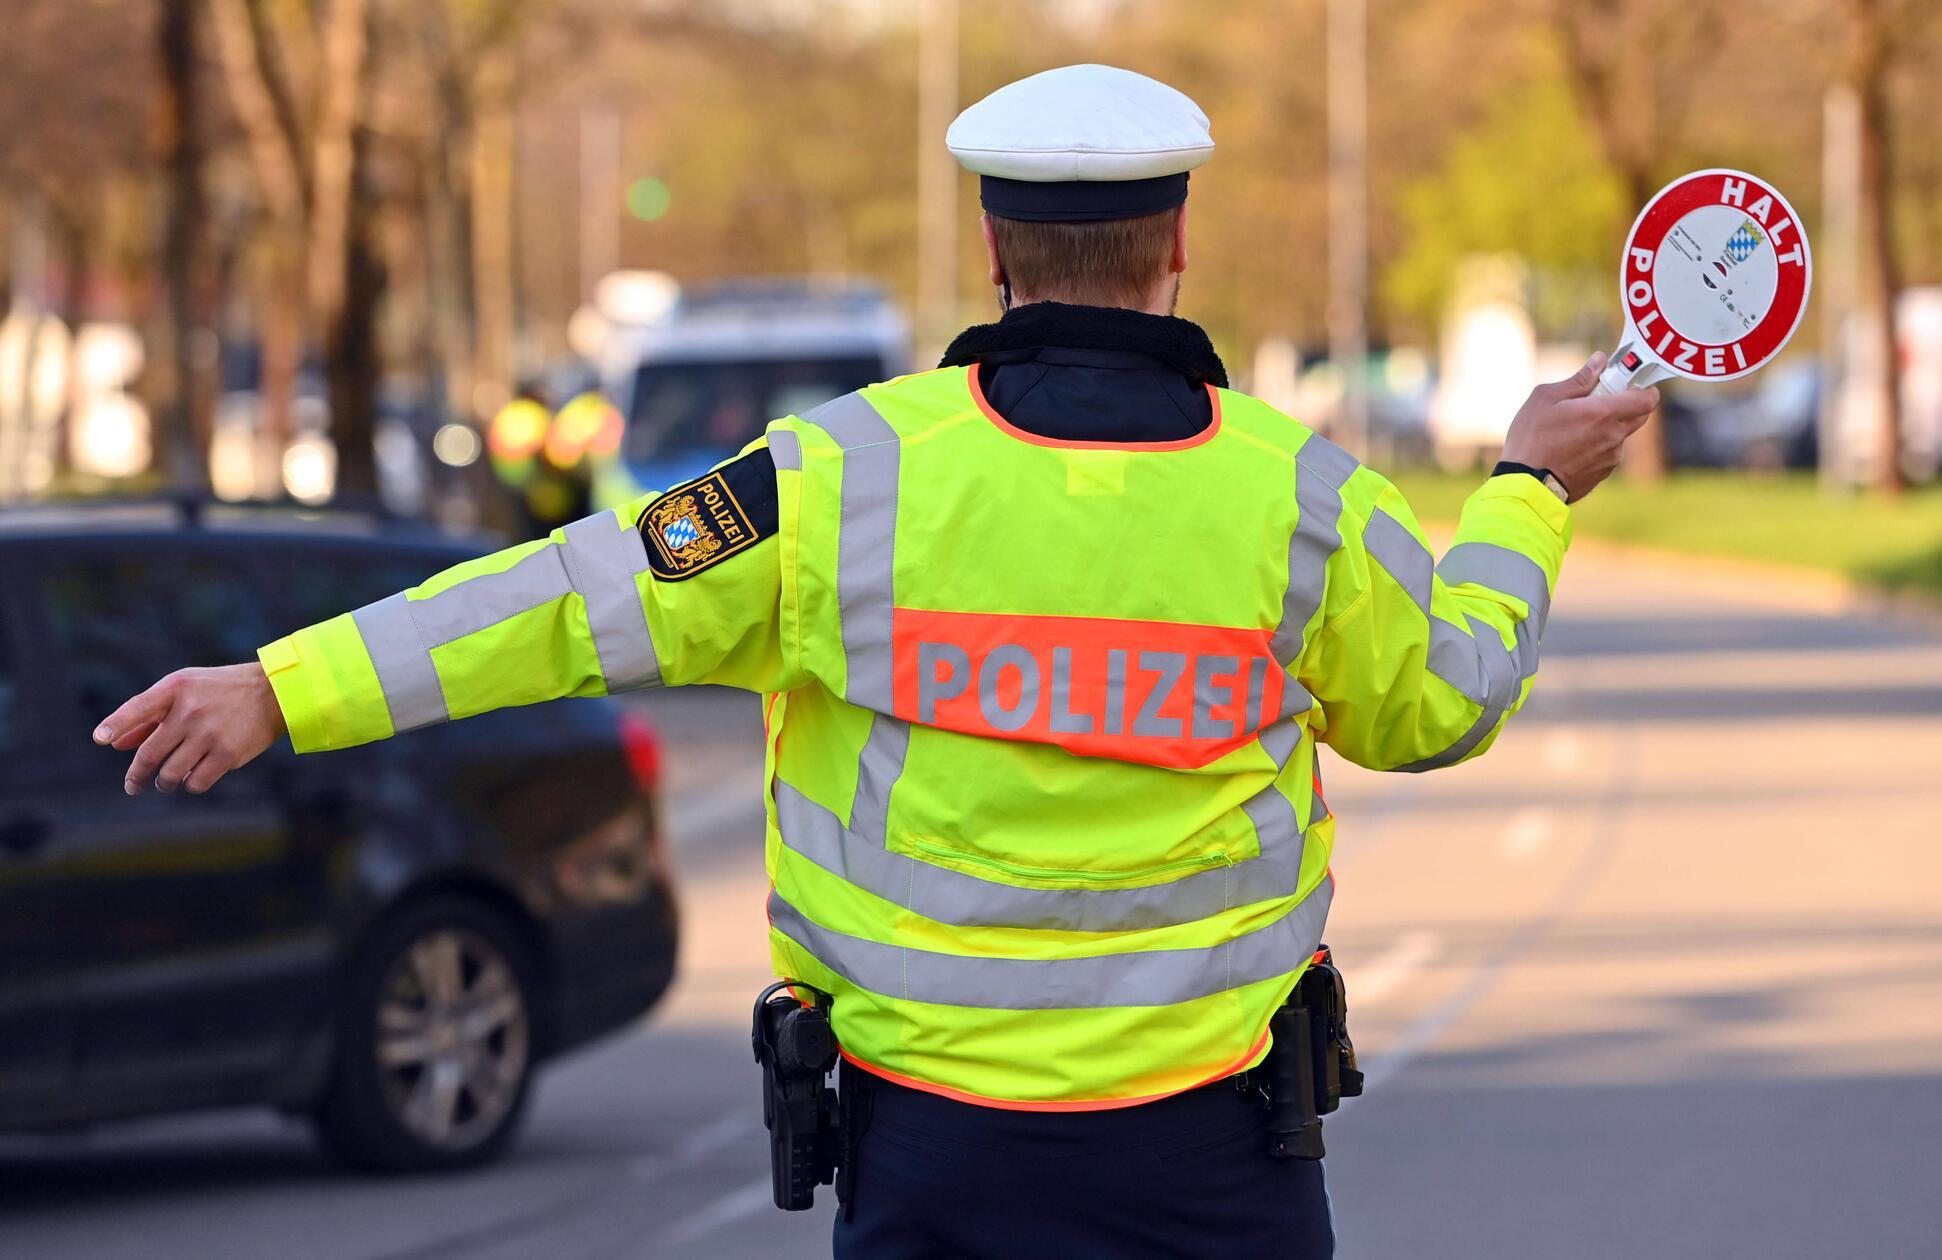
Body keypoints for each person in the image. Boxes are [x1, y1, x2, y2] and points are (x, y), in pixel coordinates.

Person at [94, 64, 1656, 1260]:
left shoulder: (832, 482)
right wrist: (1527, 494)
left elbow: (563, 600)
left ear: (994, 247)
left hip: (936, 1169)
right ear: (1178, 242)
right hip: (1221, 1169)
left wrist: (281, 688)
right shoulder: (1298, 496)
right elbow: (1443, 702)